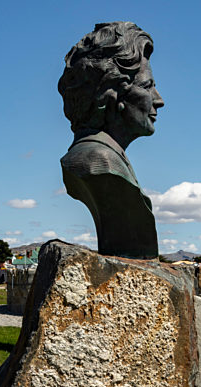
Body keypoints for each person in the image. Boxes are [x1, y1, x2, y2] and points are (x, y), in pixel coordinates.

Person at [58, 22, 164, 258]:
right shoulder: (99, 161)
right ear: (112, 94)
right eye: (147, 87)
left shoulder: (110, 158)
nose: (159, 100)